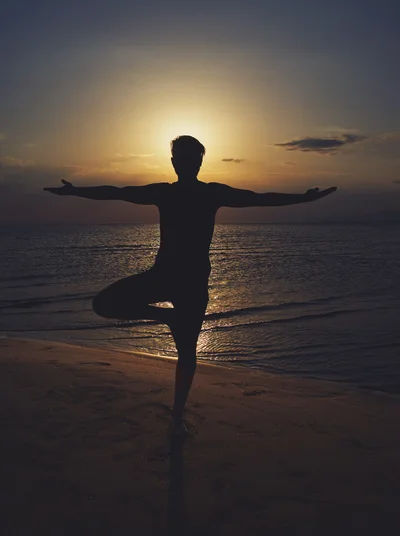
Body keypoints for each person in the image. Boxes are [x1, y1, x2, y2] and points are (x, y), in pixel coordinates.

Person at [44, 135, 337, 435]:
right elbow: (117, 192)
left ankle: (177, 416)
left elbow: (259, 197)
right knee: (103, 304)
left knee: (187, 352)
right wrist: (77, 191)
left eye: (190, 157)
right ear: (173, 163)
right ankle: (169, 318)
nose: (185, 162)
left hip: (194, 285)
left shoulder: (212, 194)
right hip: (162, 276)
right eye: (180, 157)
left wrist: (301, 198)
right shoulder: (163, 193)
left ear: (199, 161)